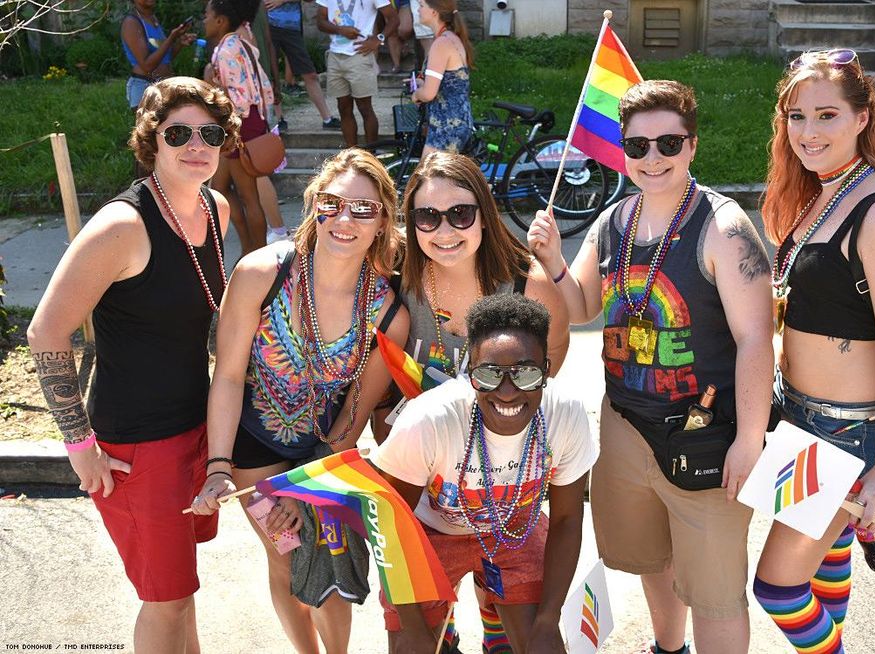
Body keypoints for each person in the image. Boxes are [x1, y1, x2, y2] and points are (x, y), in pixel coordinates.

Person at [528, 79, 774, 654]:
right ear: (622, 151)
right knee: (651, 557)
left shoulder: (724, 226)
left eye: (669, 143)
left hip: (707, 430)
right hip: (626, 424)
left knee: (715, 591)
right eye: (637, 147)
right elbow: (585, 306)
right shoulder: (615, 221)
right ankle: (669, 648)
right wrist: (553, 263)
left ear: (692, 145)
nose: (653, 158)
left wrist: (751, 439)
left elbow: (757, 338)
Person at [27, 77, 237, 653]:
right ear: (153, 140)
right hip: (138, 448)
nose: (196, 144)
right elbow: (46, 332)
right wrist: (78, 446)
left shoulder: (214, 209)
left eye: (209, 133)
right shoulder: (122, 226)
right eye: (179, 133)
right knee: (163, 601)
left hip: (195, 430)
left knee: (181, 591)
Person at [190, 148, 408, 654]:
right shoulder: (260, 274)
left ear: (382, 222)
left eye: (363, 209)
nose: (345, 219)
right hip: (252, 448)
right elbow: (226, 376)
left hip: (324, 450)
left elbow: (352, 419)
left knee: (327, 552)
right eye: (332, 204)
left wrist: (304, 487)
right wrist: (218, 467)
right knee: (285, 553)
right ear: (314, 205)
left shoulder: (388, 313)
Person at [755, 50, 875, 654]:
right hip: (801, 416)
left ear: (861, 117)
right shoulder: (823, 193)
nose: (809, 132)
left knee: (777, 587)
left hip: (843, 432)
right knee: (827, 559)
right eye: (796, 116)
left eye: (826, 115)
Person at [371, 151, 569, 653]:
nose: (445, 231)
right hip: (418, 493)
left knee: (514, 628)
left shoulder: (529, 287)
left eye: (461, 214)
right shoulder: (396, 281)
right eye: (427, 217)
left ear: (484, 211)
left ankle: (493, 616)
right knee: (422, 638)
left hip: (501, 493)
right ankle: (450, 623)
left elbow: (542, 382)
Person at [372, 293, 600, 653]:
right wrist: (413, 626)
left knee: (539, 646)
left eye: (525, 373)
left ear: (546, 369)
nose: (507, 392)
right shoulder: (429, 419)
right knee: (411, 647)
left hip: (513, 528)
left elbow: (568, 518)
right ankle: (442, 629)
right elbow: (390, 524)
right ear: (470, 374)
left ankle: (499, 623)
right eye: (490, 375)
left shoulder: (565, 413)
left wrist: (547, 619)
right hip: (428, 536)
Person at [204, 0, 277, 256]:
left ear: (221, 21)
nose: (204, 21)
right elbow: (263, 87)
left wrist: (213, 88)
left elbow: (236, 98)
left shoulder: (225, 50)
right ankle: (248, 246)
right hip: (249, 121)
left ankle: (257, 253)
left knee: (249, 197)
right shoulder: (243, 43)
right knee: (218, 189)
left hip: (239, 125)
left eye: (207, 15)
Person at [315, 0, 397, 147]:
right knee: (343, 108)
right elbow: (320, 21)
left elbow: (394, 19)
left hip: (360, 54)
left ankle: (371, 158)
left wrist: (378, 39)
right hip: (335, 55)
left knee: (365, 108)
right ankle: (352, 156)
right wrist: (339, 30)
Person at [410, 0, 474, 159]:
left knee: (430, 178)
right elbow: (447, 83)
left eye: (422, 6)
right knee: (440, 179)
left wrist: (417, 94)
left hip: (447, 125)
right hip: (456, 120)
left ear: (434, 11)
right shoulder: (449, 38)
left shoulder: (441, 43)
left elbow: (429, 94)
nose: (418, 10)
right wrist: (422, 84)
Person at [265, 0, 341, 129]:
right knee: (271, 74)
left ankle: (327, 119)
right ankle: (278, 119)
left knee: (309, 73)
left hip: (292, 28)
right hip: (268, 26)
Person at [121, 0, 193, 110]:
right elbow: (147, 65)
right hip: (145, 88)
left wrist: (179, 43)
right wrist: (171, 38)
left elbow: (163, 58)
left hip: (162, 86)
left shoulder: (152, 19)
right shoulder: (132, 22)